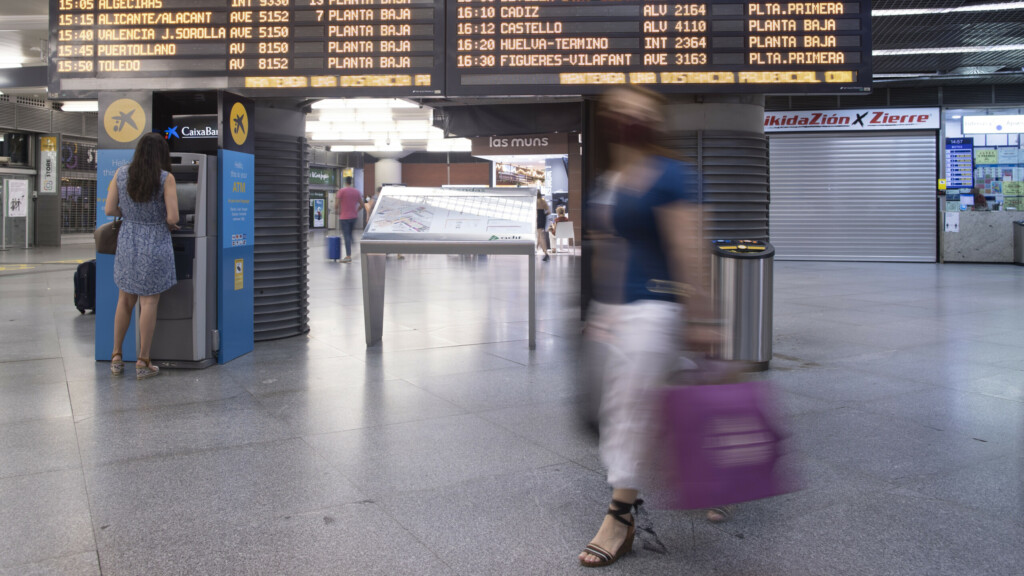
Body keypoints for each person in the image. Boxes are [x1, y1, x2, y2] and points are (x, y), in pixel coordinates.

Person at [578, 86, 719, 568]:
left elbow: (690, 250)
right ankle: (710, 476)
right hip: (616, 313)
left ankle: (620, 516)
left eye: (639, 109)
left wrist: (701, 317)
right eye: (620, 108)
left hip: (656, 307)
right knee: (643, 406)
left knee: (629, 412)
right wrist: (599, 314)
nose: (628, 116)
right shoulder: (610, 179)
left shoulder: (673, 176)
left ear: (655, 120)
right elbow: (609, 251)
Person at [105, 132, 179, 379]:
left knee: (125, 300)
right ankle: (143, 361)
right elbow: (173, 218)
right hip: (155, 241)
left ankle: (116, 357)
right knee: (149, 302)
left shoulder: (121, 173)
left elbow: (109, 209)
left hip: (128, 240)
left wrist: (132, 215)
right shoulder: (166, 178)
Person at [336, 175, 363, 263]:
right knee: (350, 234)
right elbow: (362, 205)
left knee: (346, 235)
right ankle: (353, 244)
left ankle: (348, 255)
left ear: (345, 182)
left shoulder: (341, 191)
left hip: (344, 217)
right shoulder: (356, 192)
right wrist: (356, 211)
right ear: (351, 182)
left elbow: (336, 205)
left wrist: (338, 211)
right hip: (354, 217)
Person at [536, 191, 552, 261]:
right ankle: (537, 248)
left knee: (540, 235)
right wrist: (544, 215)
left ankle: (545, 253)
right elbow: (549, 211)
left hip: (538, 217)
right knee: (540, 235)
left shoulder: (535, 201)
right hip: (542, 217)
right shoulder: (543, 201)